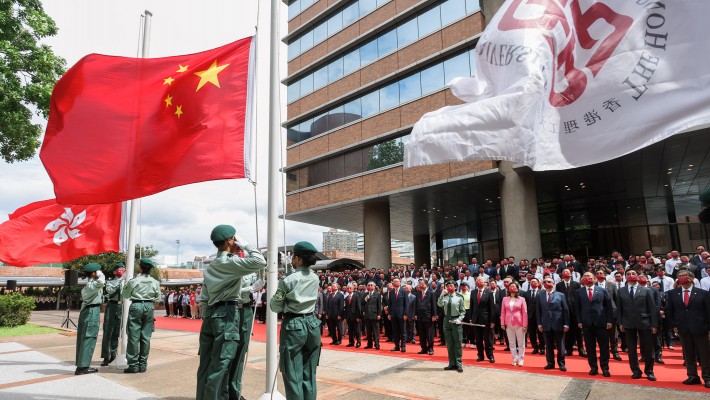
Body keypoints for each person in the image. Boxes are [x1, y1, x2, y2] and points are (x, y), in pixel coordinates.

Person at [196, 225, 266, 400]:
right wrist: (247, 245)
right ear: (229, 240)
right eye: (234, 238)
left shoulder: (211, 266)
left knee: (206, 364)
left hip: (211, 315)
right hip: (226, 313)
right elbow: (260, 262)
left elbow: (204, 297)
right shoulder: (230, 262)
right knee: (221, 363)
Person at [270, 241, 322, 400]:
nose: (291, 259)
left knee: (292, 374)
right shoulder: (315, 277)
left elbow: (275, 306)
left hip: (294, 325)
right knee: (309, 373)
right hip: (312, 324)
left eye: (293, 257)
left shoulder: (287, 280)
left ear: (298, 259)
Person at [667, 270, 710, 388]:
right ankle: (692, 376)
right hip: (683, 329)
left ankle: (707, 377)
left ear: (691, 278)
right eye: (679, 276)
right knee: (689, 354)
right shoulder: (672, 293)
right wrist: (674, 326)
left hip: (701, 328)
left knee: (705, 354)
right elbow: (670, 311)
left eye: (684, 276)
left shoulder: (703, 293)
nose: (681, 278)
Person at [229, 271, 264, 400]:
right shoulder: (229, 267)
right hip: (231, 309)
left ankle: (235, 392)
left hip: (246, 310)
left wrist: (262, 270)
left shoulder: (250, 271)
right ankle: (224, 391)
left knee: (241, 353)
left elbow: (261, 280)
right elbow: (229, 289)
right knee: (227, 353)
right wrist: (249, 288)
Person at [617, 269, 658, 381]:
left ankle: (649, 371)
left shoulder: (646, 290)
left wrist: (654, 325)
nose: (631, 275)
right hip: (628, 323)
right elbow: (619, 309)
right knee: (631, 349)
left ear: (638, 276)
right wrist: (620, 322)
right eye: (628, 274)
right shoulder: (621, 291)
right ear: (625, 277)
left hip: (645, 323)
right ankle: (635, 370)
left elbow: (653, 308)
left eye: (633, 273)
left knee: (648, 348)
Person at [122, 258, 161, 373]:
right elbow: (158, 298)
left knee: (134, 337)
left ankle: (133, 365)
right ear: (150, 269)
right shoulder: (155, 282)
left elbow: (125, 294)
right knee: (146, 337)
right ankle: (143, 364)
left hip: (136, 305)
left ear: (140, 267)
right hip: (149, 306)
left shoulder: (134, 281)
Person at [576, 272, 613, 377]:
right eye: (585, 276)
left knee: (604, 347)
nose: (587, 278)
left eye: (590, 277)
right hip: (587, 324)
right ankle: (593, 367)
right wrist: (579, 321)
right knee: (590, 347)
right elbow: (577, 308)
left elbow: (608, 307)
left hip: (601, 323)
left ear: (595, 279)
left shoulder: (602, 290)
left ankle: (605, 368)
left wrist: (609, 321)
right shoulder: (579, 292)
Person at [75, 262, 105, 375]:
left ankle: (81, 365)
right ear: (94, 273)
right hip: (92, 311)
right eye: (98, 271)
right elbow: (101, 281)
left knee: (84, 338)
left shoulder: (89, 284)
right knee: (89, 338)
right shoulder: (92, 284)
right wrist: (100, 274)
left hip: (88, 311)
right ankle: (83, 367)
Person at [537, 277, 569, 372]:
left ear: (554, 283)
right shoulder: (540, 295)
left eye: (549, 281)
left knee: (560, 346)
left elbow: (565, 310)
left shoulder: (561, 295)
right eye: (545, 282)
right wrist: (539, 324)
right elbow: (538, 311)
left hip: (558, 324)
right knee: (548, 345)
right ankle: (550, 363)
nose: (547, 283)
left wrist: (566, 324)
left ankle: (561, 364)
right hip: (546, 324)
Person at [556, 269, 585, 357]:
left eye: (568, 272)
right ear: (562, 275)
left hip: (575, 311)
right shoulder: (558, 285)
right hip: (565, 311)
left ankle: (581, 349)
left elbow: (580, 297)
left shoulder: (576, 284)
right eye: (564, 272)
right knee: (567, 331)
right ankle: (569, 349)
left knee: (578, 332)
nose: (566, 274)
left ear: (570, 274)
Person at [101, 262, 125, 367]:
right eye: (119, 269)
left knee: (116, 332)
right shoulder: (111, 282)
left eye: (123, 269)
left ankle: (114, 355)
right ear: (115, 272)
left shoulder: (126, 281)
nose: (121, 271)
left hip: (122, 306)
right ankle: (106, 356)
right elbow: (110, 291)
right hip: (112, 306)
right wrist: (119, 282)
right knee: (108, 332)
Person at [438, 281, 465, 373]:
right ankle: (451, 363)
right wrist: (441, 295)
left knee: (457, 343)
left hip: (455, 320)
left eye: (451, 286)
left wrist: (460, 319)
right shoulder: (445, 297)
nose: (449, 287)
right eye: (448, 286)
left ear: (455, 287)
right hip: (446, 321)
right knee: (449, 343)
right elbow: (440, 304)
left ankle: (459, 364)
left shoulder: (459, 298)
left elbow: (462, 311)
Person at [501, 281, 527, 366]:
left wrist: (525, 325)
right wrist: (502, 323)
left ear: (517, 288)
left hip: (519, 322)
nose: (512, 288)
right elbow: (503, 312)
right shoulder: (505, 299)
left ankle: (521, 358)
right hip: (508, 323)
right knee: (511, 342)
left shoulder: (521, 299)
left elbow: (524, 313)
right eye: (510, 286)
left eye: (514, 286)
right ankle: (515, 358)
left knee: (521, 342)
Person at [471, 276, 495, 363]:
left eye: (480, 281)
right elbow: (472, 306)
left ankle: (490, 355)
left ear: (484, 282)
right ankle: (480, 355)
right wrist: (471, 318)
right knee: (478, 339)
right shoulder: (473, 292)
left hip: (486, 320)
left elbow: (492, 308)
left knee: (488, 340)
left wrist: (492, 321)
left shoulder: (489, 292)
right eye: (477, 281)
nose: (478, 282)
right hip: (476, 320)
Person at [413, 280, 437, 355]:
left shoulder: (431, 293)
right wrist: (415, 314)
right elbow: (416, 305)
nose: (420, 285)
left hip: (428, 316)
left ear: (426, 285)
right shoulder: (418, 294)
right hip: (420, 317)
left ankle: (430, 348)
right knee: (422, 334)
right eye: (419, 284)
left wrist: (434, 315)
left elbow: (434, 305)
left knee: (429, 333)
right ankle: (423, 348)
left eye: (422, 284)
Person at [386, 278, 408, 352]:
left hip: (401, 314)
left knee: (403, 331)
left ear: (400, 282)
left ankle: (403, 346)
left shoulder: (404, 291)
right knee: (395, 331)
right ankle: (396, 346)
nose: (395, 282)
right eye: (394, 281)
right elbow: (390, 304)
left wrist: (405, 314)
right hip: (393, 315)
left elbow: (406, 304)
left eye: (396, 281)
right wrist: (389, 313)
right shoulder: (391, 292)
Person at [523, 278, 542, 355]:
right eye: (532, 282)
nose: (533, 283)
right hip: (530, 316)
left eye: (535, 282)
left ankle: (542, 347)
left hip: (540, 316)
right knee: (531, 333)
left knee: (541, 332)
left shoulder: (542, 292)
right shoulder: (526, 293)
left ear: (538, 283)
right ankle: (535, 347)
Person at [363, 281, 382, 350]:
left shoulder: (377, 294)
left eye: (371, 285)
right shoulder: (365, 294)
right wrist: (365, 299)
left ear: (374, 286)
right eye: (368, 285)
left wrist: (379, 314)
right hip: (367, 314)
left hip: (374, 314)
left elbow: (379, 305)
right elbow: (362, 303)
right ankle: (369, 344)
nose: (370, 286)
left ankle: (377, 344)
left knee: (375, 331)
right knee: (368, 330)